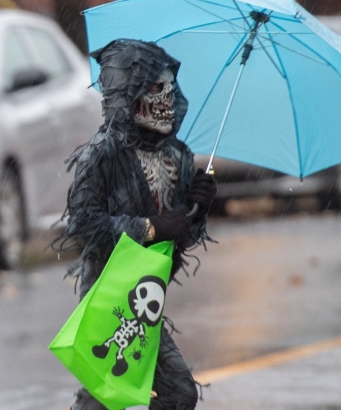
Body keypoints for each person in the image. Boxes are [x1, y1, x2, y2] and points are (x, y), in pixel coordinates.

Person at [57, 39, 217, 410]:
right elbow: (83, 226)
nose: (167, 97)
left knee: (134, 395)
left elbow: (178, 237)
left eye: (170, 88)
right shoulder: (102, 153)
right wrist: (149, 227)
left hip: (146, 296)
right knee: (154, 393)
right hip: (110, 296)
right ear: (127, 95)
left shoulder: (177, 155)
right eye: (155, 88)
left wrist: (198, 208)